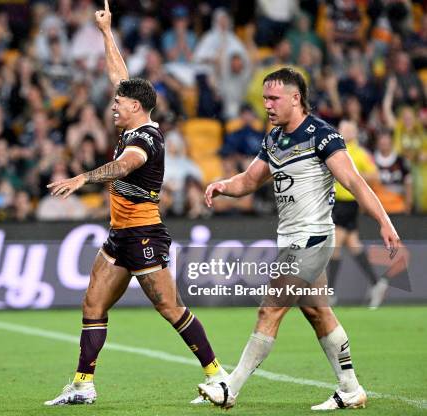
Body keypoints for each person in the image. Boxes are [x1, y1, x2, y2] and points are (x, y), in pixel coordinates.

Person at [44, 0, 227, 406]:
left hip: (144, 233)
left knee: (169, 307)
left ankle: (218, 376)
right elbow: (119, 75)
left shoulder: (146, 139)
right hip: (120, 234)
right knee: (93, 301)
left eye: (119, 104)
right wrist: (107, 32)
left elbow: (125, 167)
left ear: (137, 109)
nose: (113, 105)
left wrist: (84, 178)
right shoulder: (133, 119)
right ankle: (82, 384)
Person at [199, 68, 401, 410]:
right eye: (264, 98)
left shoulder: (323, 136)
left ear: (296, 98)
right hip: (291, 237)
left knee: (269, 311)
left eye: (274, 98)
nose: (267, 105)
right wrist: (223, 186)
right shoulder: (275, 138)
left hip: (311, 239)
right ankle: (350, 388)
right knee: (318, 313)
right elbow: (250, 180)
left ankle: (229, 389)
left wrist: (383, 220)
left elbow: (354, 182)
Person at [327, 120, 382, 307]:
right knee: (353, 244)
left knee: (334, 245)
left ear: (355, 133)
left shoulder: (359, 153)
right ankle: (377, 283)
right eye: (342, 129)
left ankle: (330, 292)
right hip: (337, 203)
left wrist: (354, 175)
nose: (345, 132)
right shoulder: (336, 149)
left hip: (348, 203)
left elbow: (375, 175)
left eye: (348, 130)